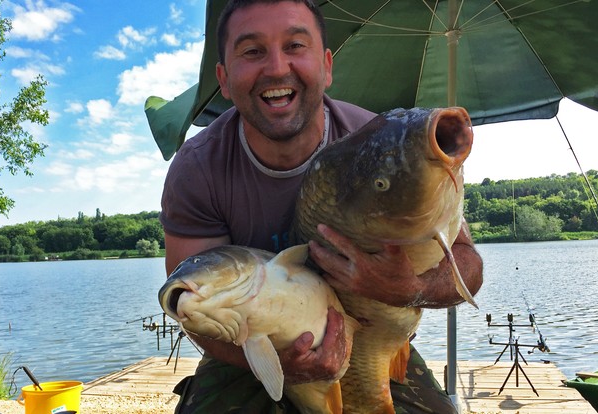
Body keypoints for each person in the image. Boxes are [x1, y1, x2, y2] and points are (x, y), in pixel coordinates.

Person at [159, 0, 484, 412]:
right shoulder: (197, 168)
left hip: (373, 338)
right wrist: (272, 366)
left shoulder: (381, 143)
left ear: (327, 65)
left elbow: (466, 264)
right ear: (223, 78)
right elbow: (195, 306)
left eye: (295, 45)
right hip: (247, 348)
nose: (276, 68)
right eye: (252, 51)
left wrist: (410, 289)